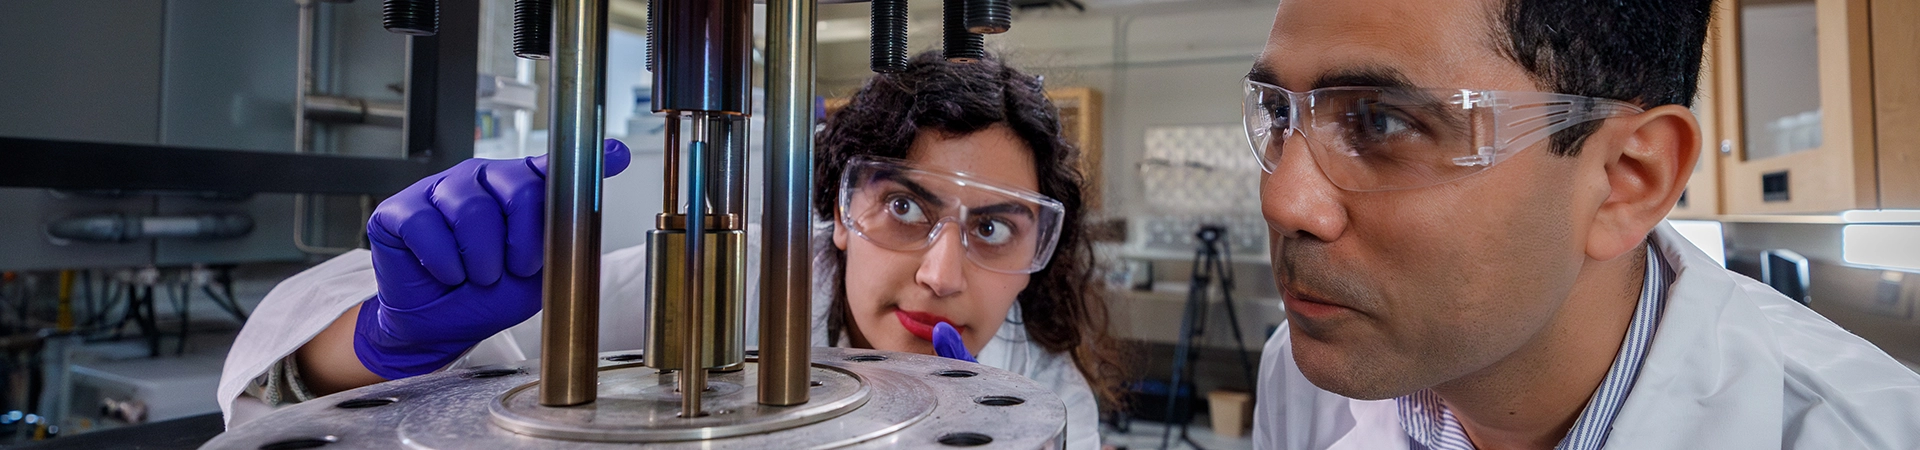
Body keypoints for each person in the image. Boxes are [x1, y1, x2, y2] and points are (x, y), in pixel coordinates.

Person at [215, 51, 1120, 450]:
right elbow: (320, 398)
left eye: (996, 227)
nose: (941, 272)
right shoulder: (725, 284)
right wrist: (381, 344)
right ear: (839, 211)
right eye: (902, 207)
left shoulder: (1036, 381)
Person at [1244, 0, 1920, 448]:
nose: (1284, 202)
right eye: (1280, 116)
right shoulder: (1303, 373)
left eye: (1384, 121)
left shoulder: (1867, 433)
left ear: (1627, 178)